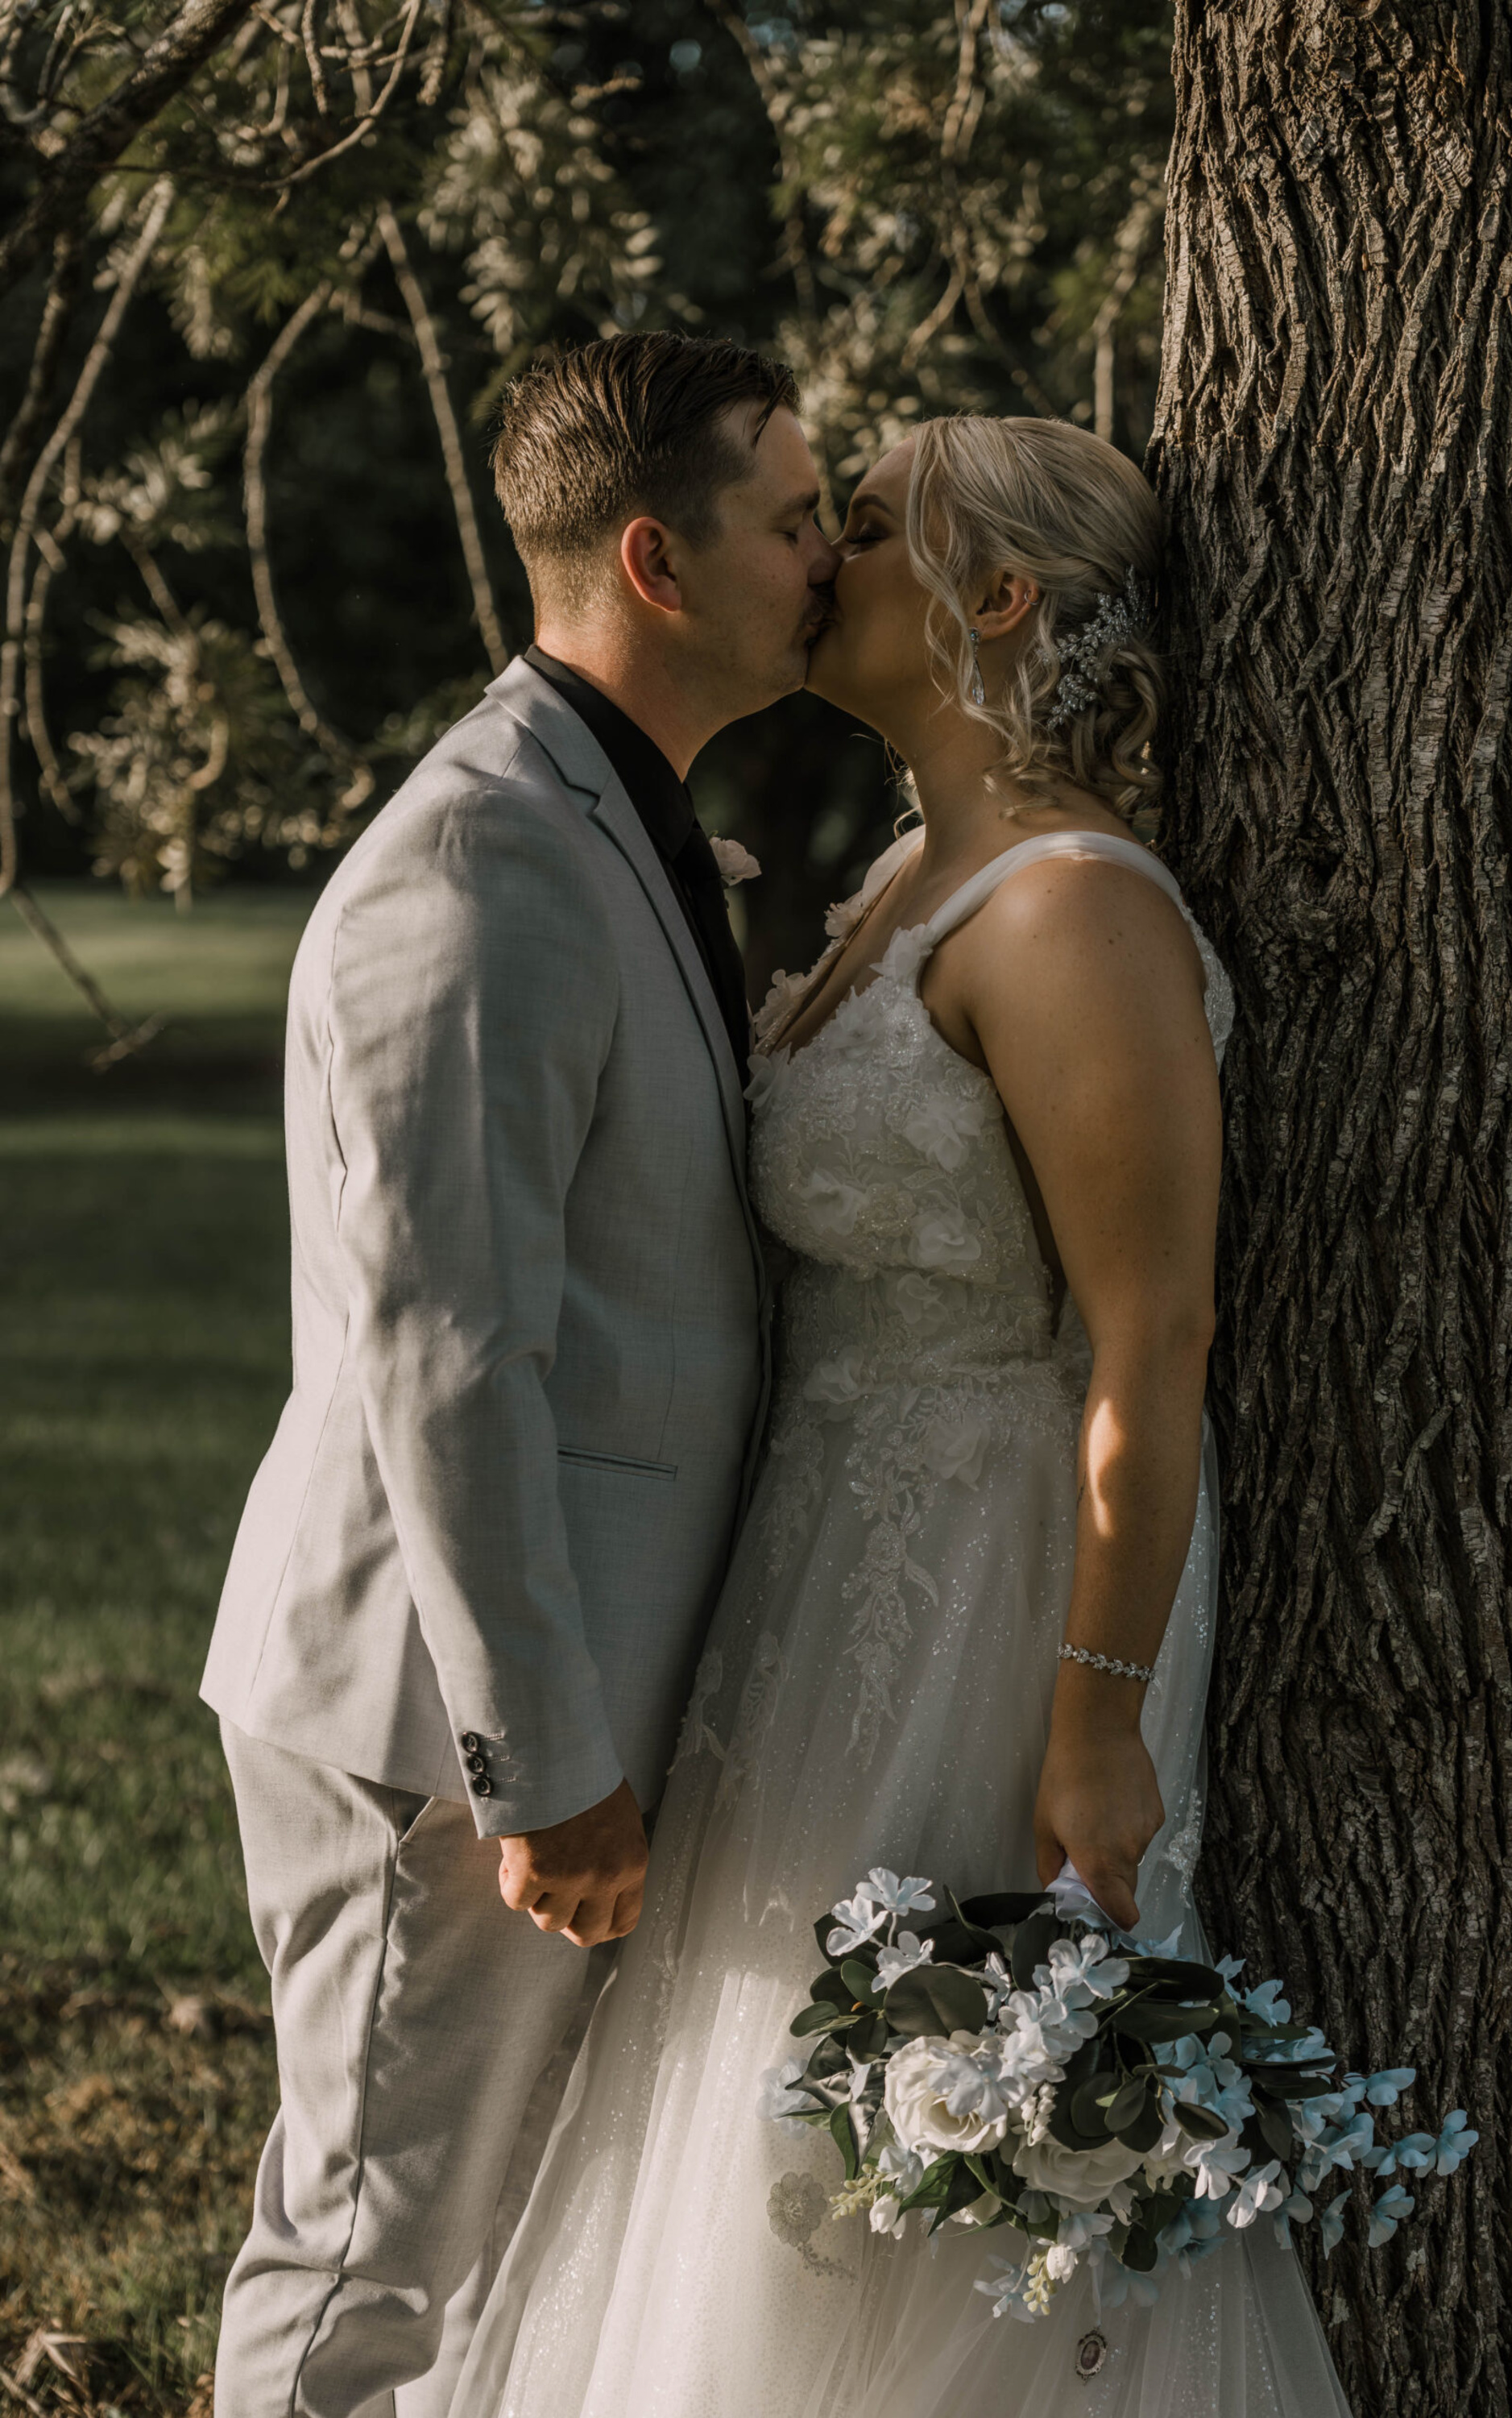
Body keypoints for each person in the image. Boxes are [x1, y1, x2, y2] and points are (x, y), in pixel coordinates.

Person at [447, 413, 1355, 2416]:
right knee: (782, 2098)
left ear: (995, 601)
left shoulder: (1073, 911)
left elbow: (1154, 1338)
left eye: (857, 526)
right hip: (819, 1563)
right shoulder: (907, 879)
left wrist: (1097, 1720)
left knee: (927, 2142)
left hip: (996, 1582)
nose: (813, 553)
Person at [199, 331, 839, 2418]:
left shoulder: (611, 817)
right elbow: (444, 1348)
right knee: (370, 2279)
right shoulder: (480, 861)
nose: (833, 557)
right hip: (444, 1718)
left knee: (480, 2285)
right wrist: (540, 1758)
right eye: (796, 519)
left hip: (564, 1679)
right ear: (659, 559)